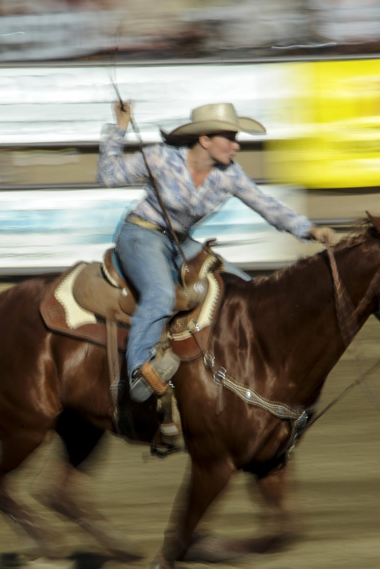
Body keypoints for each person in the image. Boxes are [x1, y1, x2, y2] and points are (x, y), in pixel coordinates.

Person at [96, 101, 336, 402]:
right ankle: (139, 371)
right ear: (205, 140)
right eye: (230, 138)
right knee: (159, 293)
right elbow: (107, 176)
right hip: (140, 234)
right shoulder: (160, 157)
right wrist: (119, 128)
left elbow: (266, 205)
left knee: (246, 289)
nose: (236, 146)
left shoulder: (230, 175)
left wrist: (309, 229)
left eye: (236, 139)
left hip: (180, 242)